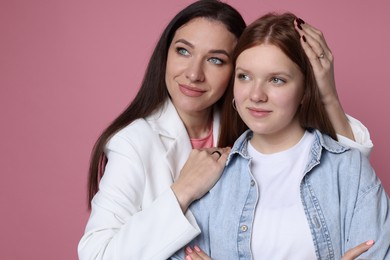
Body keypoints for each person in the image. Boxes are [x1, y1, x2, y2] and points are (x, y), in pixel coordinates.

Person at [78, 1, 374, 259]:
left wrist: (326, 94)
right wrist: (182, 191)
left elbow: (346, 175)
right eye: (183, 51)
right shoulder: (134, 142)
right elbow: (96, 254)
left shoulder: (256, 121)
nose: (194, 74)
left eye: (216, 60)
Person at [174, 12, 390, 260]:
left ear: (305, 89)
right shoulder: (210, 176)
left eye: (276, 80)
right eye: (244, 76)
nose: (256, 95)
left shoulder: (350, 170)